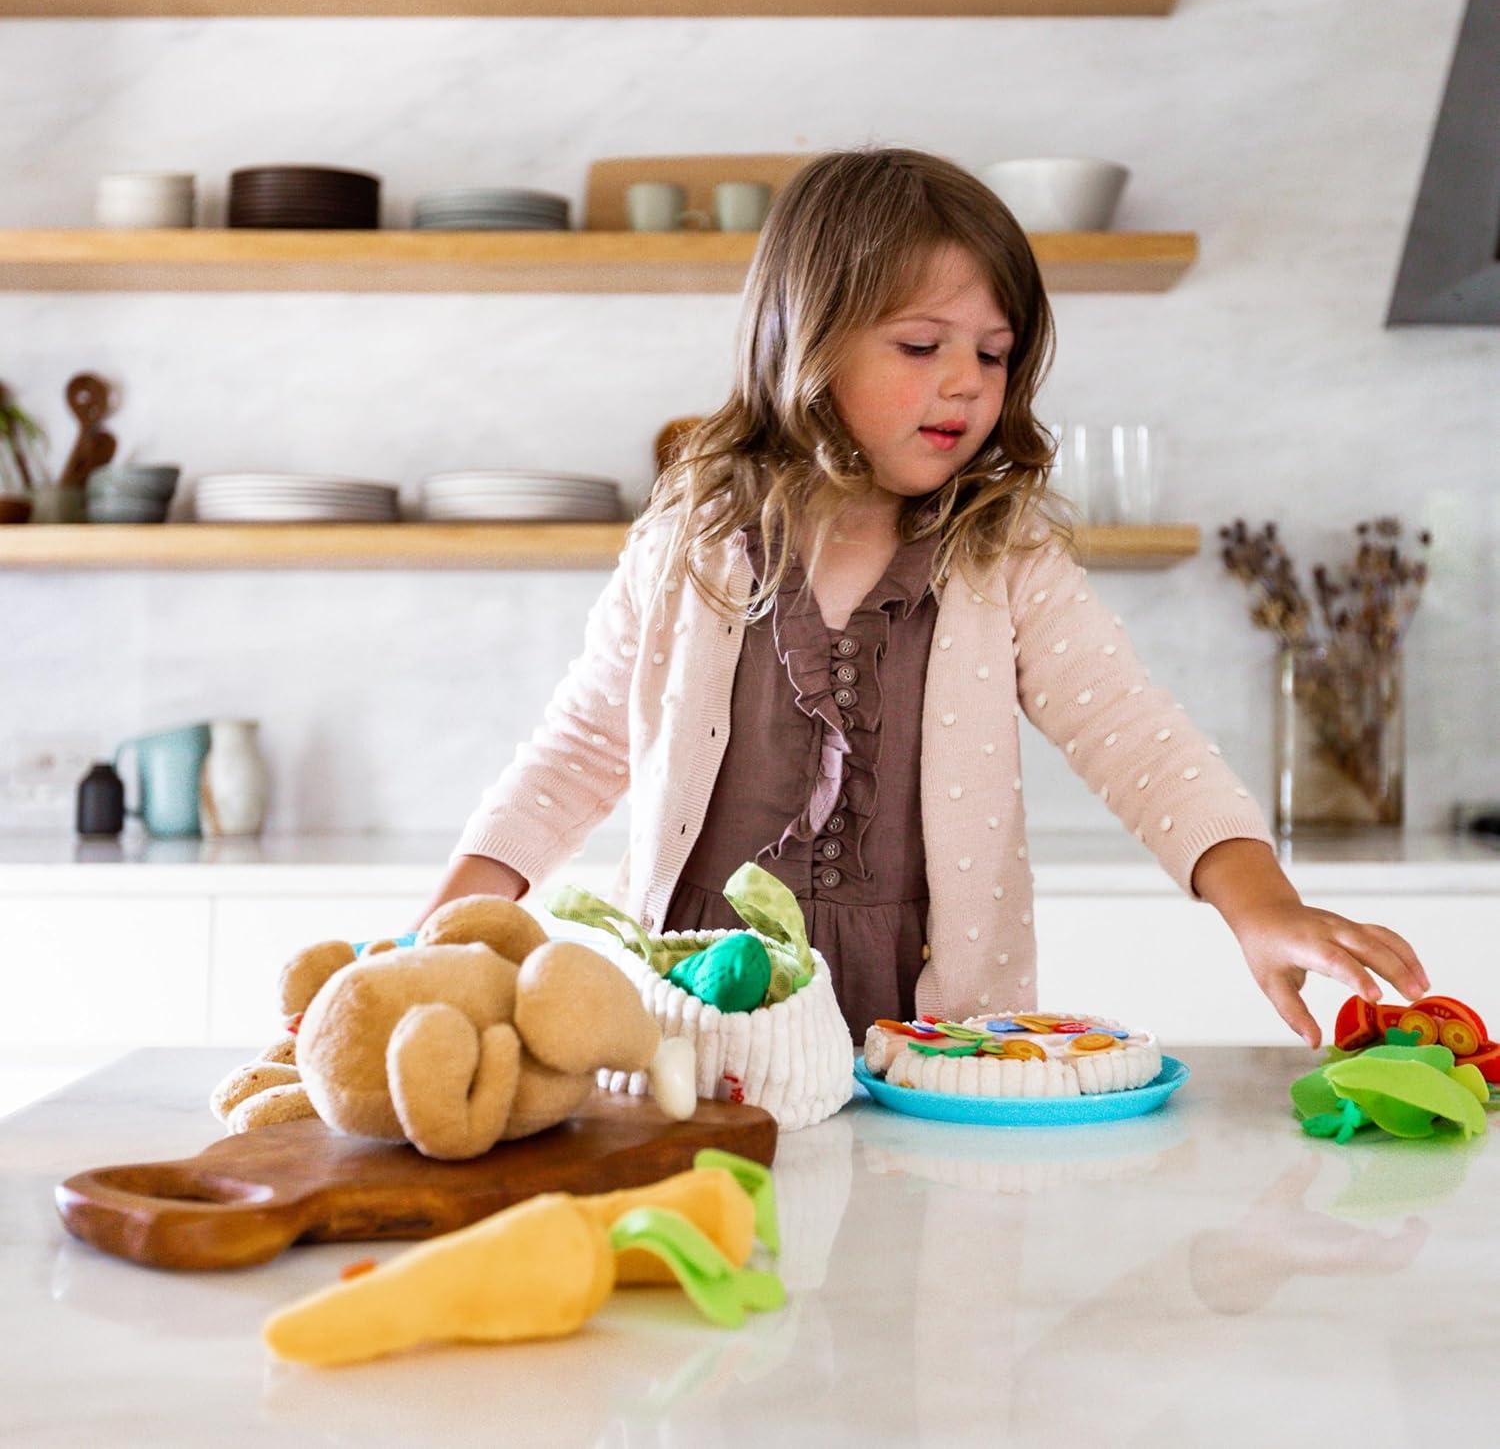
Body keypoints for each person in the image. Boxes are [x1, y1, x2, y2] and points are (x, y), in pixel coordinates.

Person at [415, 145, 1428, 1046]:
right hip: (695, 1022)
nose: (966, 385)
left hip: (929, 1030)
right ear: (803, 340)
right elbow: (583, 747)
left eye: (993, 354)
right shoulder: (696, 539)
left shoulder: (1003, 555)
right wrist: (450, 921)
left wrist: (1259, 903)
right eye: (920, 345)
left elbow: (1133, 731)